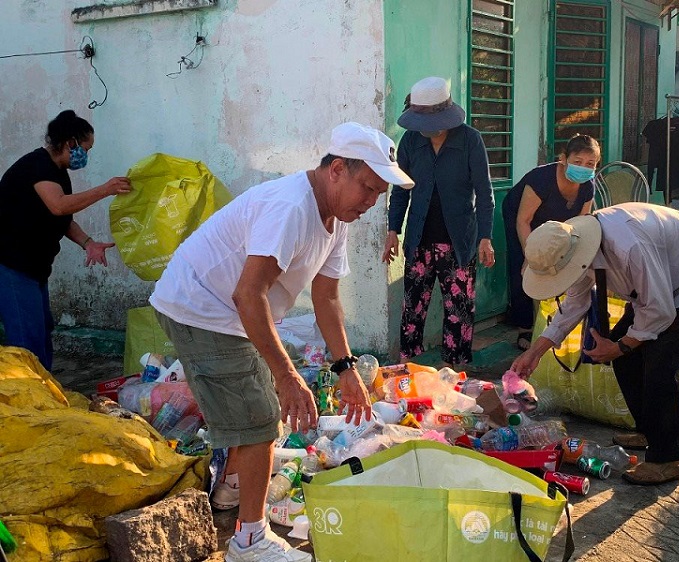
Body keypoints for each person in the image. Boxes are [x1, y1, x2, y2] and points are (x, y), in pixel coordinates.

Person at [150, 122, 414, 562]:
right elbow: (247, 294)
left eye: (378, 194)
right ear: (335, 170)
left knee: (254, 402)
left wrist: (345, 367)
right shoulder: (292, 208)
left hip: (229, 308)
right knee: (261, 415)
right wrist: (288, 375)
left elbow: (326, 297)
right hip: (200, 306)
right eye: (366, 188)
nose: (370, 202)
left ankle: (231, 492)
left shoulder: (337, 216)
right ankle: (249, 542)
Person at [511, 203, 679, 485]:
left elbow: (660, 312)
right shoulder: (577, 248)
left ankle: (668, 458)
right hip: (663, 285)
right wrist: (535, 352)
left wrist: (620, 346)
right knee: (628, 356)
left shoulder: (628, 247)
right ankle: (649, 429)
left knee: (660, 361)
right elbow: (575, 304)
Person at [0, 110, 131, 371]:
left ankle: (43, 391)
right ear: (70, 142)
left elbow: (62, 219)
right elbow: (58, 206)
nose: (87, 155)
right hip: (12, 266)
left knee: (42, 329)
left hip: (34, 268)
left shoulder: (57, 172)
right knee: (27, 340)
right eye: (86, 148)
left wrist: (88, 243)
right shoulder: (37, 166)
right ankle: (31, 399)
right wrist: (105, 189)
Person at [382, 76, 495, 366]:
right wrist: (393, 230)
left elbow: (484, 192)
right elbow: (400, 190)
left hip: (459, 243)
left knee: (458, 313)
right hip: (419, 241)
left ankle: (453, 377)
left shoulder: (470, 140)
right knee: (412, 312)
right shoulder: (410, 141)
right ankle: (409, 374)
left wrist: (485, 237)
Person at [502, 135, 600, 350]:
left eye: (590, 164)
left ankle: (557, 322)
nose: (583, 168)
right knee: (524, 269)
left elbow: (581, 226)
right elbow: (523, 220)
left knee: (564, 264)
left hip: (559, 223)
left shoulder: (587, 186)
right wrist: (531, 256)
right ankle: (525, 327)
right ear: (563, 158)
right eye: (577, 162)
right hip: (524, 219)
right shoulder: (541, 180)